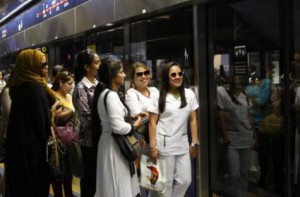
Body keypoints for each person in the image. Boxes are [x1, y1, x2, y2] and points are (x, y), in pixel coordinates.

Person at [5, 49, 57, 196]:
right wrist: (51, 113)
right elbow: (41, 123)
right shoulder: (35, 88)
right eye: (42, 64)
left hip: (17, 146)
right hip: (33, 151)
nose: (46, 67)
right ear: (31, 66)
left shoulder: (17, 87)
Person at [148, 62, 199, 197]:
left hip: (182, 143)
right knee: (165, 183)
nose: (178, 77)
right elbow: (152, 123)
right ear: (166, 77)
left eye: (180, 73)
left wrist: (194, 143)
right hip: (164, 144)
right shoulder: (158, 96)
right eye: (173, 74)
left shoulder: (189, 94)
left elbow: (193, 119)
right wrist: (153, 147)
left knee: (185, 180)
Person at [94, 58, 143, 197]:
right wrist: (135, 125)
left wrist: (131, 117)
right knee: (118, 186)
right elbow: (118, 127)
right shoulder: (111, 96)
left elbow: (115, 120)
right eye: (121, 72)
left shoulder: (107, 94)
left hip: (111, 143)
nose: (124, 75)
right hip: (114, 147)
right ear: (112, 76)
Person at [125, 62, 159, 197]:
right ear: (133, 78)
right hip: (143, 141)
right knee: (146, 179)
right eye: (139, 74)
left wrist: (151, 114)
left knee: (156, 177)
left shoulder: (155, 91)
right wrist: (155, 114)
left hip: (158, 138)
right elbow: (139, 118)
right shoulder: (131, 94)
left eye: (146, 73)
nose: (144, 76)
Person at [72, 49, 101, 197]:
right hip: (89, 141)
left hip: (100, 138)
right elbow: (86, 118)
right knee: (90, 179)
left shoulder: (99, 84)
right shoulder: (80, 89)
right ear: (87, 67)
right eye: (97, 62)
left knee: (99, 179)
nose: (99, 65)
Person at [51, 71, 76, 197]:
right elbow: (55, 117)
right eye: (69, 84)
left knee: (68, 177)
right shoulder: (54, 97)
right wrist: (71, 111)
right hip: (58, 143)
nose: (72, 86)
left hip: (70, 141)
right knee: (57, 177)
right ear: (60, 83)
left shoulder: (69, 97)